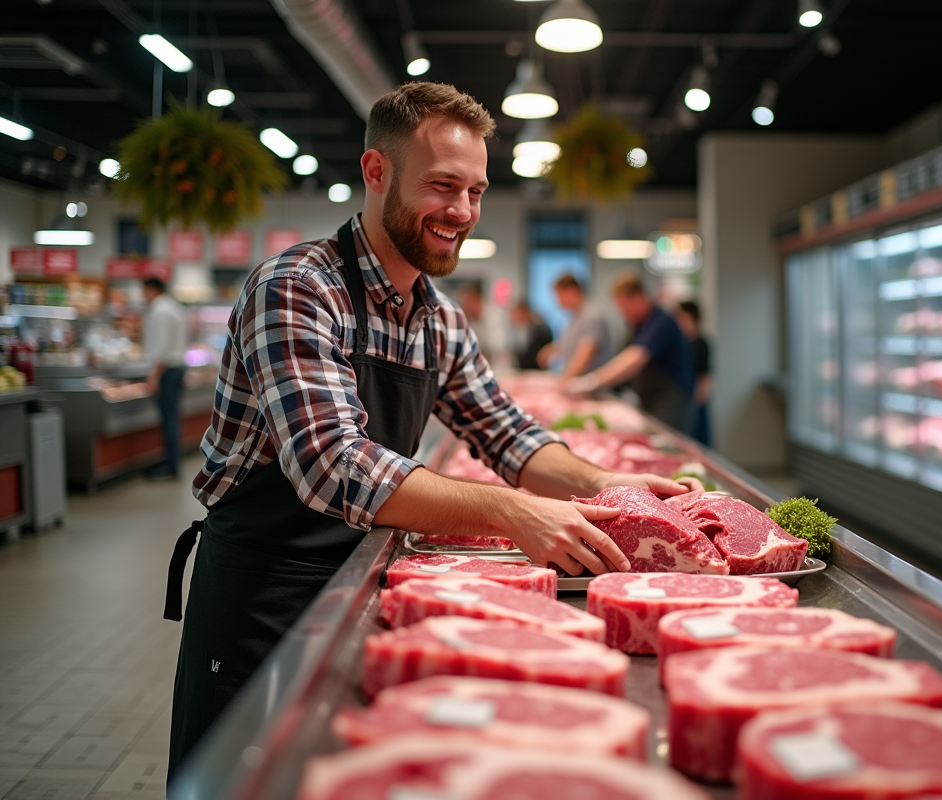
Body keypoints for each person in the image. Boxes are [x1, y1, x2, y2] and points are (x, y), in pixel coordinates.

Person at [164, 82, 700, 786]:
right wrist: (512, 512)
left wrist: (605, 485)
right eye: (444, 186)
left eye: (476, 191)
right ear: (376, 172)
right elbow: (333, 464)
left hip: (353, 586)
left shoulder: (437, 317)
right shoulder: (298, 286)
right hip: (261, 590)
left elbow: (506, 434)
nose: (464, 212)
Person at [566, 272, 695, 432]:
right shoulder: (638, 325)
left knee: (667, 447)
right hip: (650, 398)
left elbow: (635, 357)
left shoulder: (661, 322)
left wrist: (591, 381)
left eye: (623, 307)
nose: (623, 313)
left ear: (638, 297)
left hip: (671, 400)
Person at [141, 276, 188, 479]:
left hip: (167, 371)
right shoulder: (175, 307)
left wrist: (153, 375)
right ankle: (172, 461)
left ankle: (171, 466)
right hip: (177, 368)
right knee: (173, 418)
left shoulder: (160, 311)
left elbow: (161, 346)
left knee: (168, 419)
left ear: (151, 290)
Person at [538, 272, 612, 376]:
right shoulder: (575, 318)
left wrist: (564, 380)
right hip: (579, 384)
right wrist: (551, 349)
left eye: (559, 296)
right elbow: (570, 344)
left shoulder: (592, 316)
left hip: (593, 386)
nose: (558, 302)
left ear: (571, 291)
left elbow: (585, 354)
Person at [676, 301, 712, 446]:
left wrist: (697, 400)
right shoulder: (682, 343)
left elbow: (705, 376)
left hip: (695, 400)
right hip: (685, 398)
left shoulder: (700, 343)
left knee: (698, 442)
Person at [509, 298, 554, 370]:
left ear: (525, 313)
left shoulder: (542, 330)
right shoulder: (517, 330)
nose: (514, 318)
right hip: (523, 371)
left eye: (516, 314)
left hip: (538, 370)